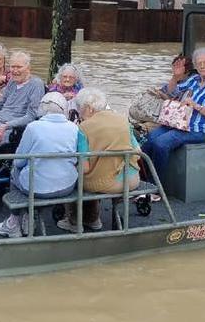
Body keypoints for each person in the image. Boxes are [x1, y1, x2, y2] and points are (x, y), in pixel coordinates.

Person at [57, 87, 142, 232]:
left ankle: (74, 221)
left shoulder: (84, 127)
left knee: (75, 178)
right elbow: (138, 152)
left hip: (108, 183)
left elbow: (85, 168)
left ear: (89, 108)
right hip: (133, 179)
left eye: (80, 108)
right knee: (94, 174)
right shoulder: (122, 120)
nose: (79, 112)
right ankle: (92, 220)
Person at [0, 92, 79, 238]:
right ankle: (29, 218)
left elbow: (19, 160)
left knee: (16, 171)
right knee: (33, 172)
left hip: (37, 188)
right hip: (67, 185)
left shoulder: (33, 127)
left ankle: (13, 222)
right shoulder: (74, 128)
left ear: (42, 108)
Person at [141, 47, 205, 179]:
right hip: (180, 124)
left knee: (161, 143)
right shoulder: (194, 80)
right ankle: (141, 180)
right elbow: (170, 92)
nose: (202, 66)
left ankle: (155, 186)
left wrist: (196, 105)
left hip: (201, 130)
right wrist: (175, 77)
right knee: (150, 139)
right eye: (199, 63)